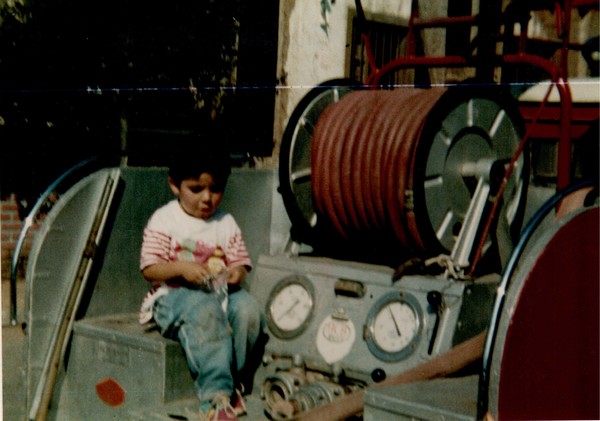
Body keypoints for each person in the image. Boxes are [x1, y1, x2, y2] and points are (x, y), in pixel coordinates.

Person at [138, 143, 264, 420]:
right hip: (172, 297)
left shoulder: (225, 222)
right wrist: (182, 268)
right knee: (204, 312)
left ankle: (235, 385)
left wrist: (237, 273)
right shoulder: (165, 219)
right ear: (175, 186)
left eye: (216, 189)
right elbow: (149, 268)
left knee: (249, 311)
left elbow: (241, 261)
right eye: (196, 189)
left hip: (219, 295)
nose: (207, 198)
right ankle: (215, 397)